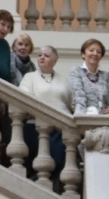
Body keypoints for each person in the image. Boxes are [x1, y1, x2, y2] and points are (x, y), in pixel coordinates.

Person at [18, 45, 70, 176]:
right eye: (40, 55)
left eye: (46, 56)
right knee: (34, 163)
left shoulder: (63, 79)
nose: (42, 57)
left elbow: (70, 102)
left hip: (59, 127)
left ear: (55, 61)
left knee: (58, 161)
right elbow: (25, 97)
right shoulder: (29, 77)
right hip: (35, 126)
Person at [70, 38, 109, 115]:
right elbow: (80, 99)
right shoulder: (76, 71)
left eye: (98, 52)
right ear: (83, 54)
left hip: (103, 121)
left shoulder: (106, 76)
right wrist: (80, 120)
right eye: (91, 50)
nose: (95, 53)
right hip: (84, 119)